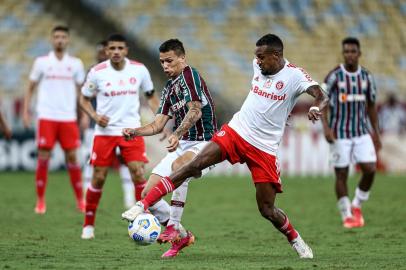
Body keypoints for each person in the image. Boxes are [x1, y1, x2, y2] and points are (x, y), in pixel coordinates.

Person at [122, 34, 328, 259]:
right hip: (236, 131)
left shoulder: (295, 76)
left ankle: (295, 239)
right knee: (193, 164)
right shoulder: (257, 65)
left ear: (276, 55)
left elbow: (321, 95)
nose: (257, 62)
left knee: (267, 209)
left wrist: (316, 108)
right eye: (255, 57)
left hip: (264, 147)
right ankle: (145, 205)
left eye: (261, 57)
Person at [122, 39, 217, 258]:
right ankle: (182, 237)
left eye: (169, 61)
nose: (165, 66)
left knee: (179, 166)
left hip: (206, 143)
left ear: (182, 59)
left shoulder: (189, 75)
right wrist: (135, 131)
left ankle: (172, 225)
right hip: (183, 143)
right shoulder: (169, 88)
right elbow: (157, 124)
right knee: (149, 193)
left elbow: (195, 110)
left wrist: (177, 133)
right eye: (162, 62)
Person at [79, 33, 159, 239]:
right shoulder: (97, 72)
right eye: (112, 48)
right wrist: (95, 116)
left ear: (126, 50)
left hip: (131, 130)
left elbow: (151, 96)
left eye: (119, 48)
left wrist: (160, 120)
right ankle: (88, 225)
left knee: (138, 173)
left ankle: (142, 219)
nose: (115, 52)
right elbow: (84, 99)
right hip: (105, 132)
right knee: (98, 177)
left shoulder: (139, 70)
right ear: (106, 51)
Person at [23, 25, 85, 214]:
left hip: (68, 117)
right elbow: (31, 87)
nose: (60, 40)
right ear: (52, 40)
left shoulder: (76, 63)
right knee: (43, 156)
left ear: (68, 40)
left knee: (72, 157)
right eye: (56, 37)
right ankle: (40, 200)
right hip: (46, 116)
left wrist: (83, 115)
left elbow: (81, 92)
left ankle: (80, 200)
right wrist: (26, 111)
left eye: (63, 37)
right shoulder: (41, 62)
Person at [321, 37, 381, 228]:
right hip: (339, 133)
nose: (349, 55)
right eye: (346, 51)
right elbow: (322, 101)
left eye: (353, 51)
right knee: (341, 174)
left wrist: (376, 133)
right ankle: (346, 214)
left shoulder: (367, 77)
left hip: (361, 132)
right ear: (343, 53)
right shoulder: (334, 76)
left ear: (359, 54)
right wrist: (326, 127)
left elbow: (371, 106)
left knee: (371, 169)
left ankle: (357, 204)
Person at [81, 40, 135, 209]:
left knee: (126, 161)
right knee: (91, 161)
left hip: (121, 125)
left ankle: (129, 197)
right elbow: (85, 98)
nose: (103, 54)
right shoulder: (93, 72)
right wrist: (85, 116)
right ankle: (85, 195)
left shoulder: (124, 72)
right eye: (102, 51)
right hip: (96, 125)